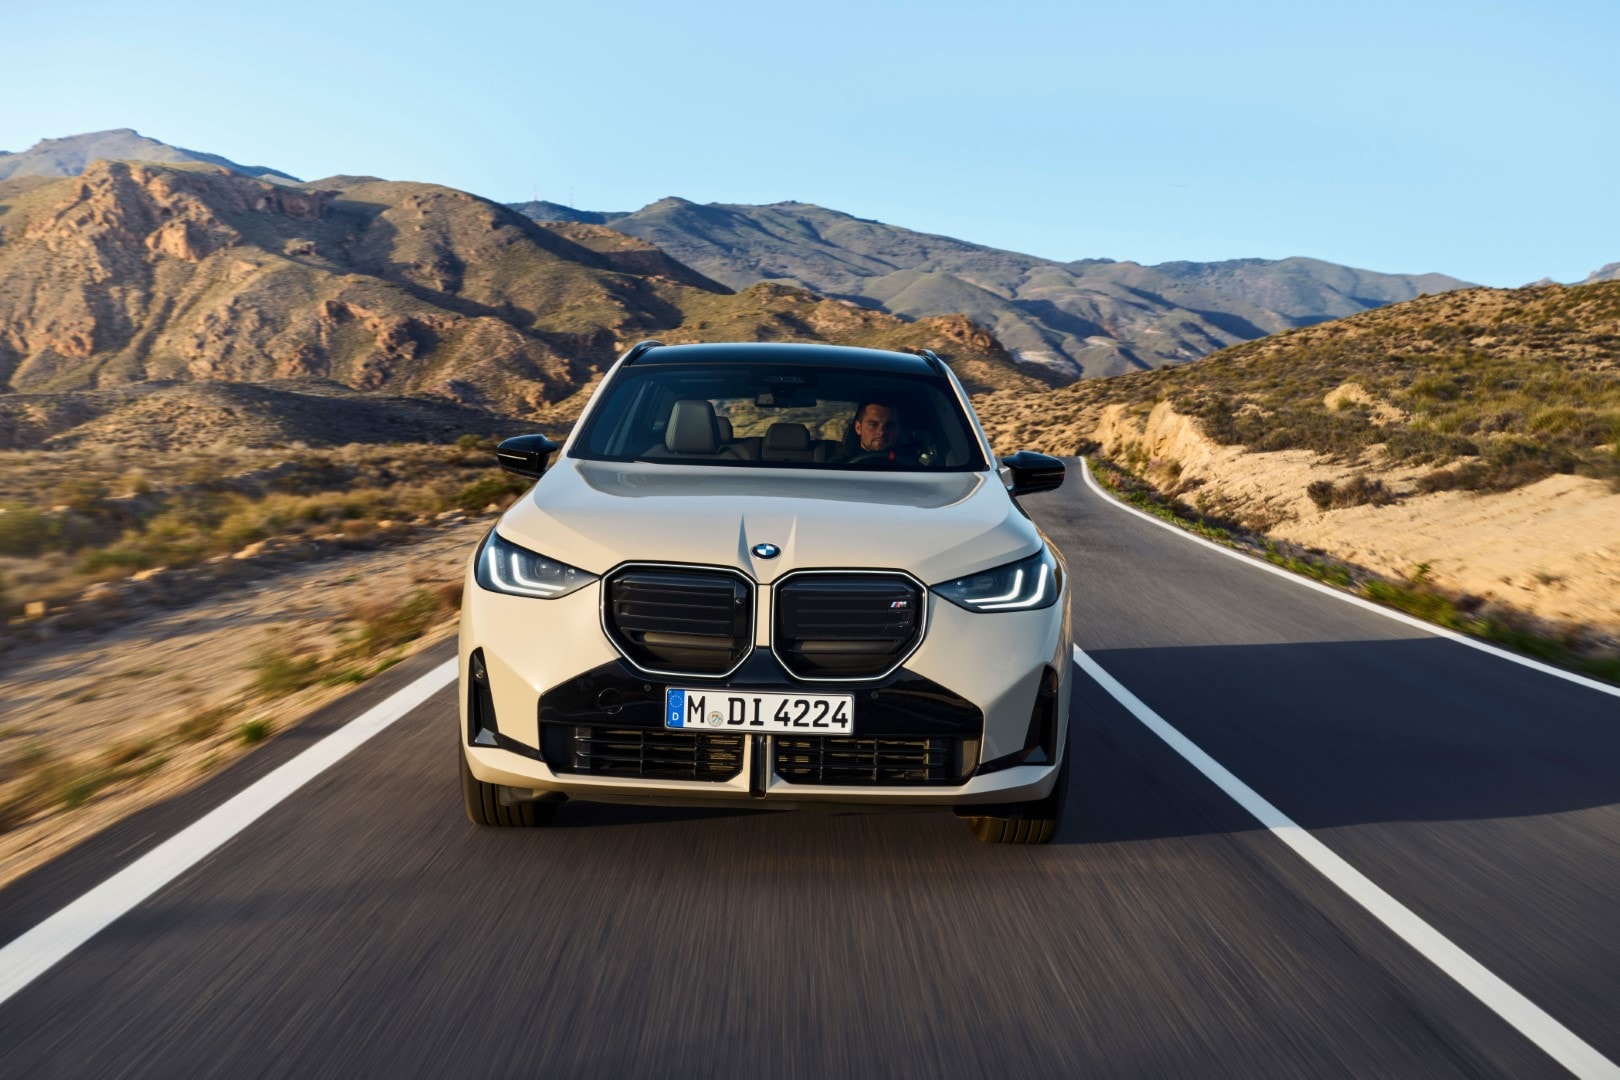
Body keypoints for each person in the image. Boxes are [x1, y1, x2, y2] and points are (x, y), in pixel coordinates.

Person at [845, 401, 912, 462]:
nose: (881, 432)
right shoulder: (841, 465)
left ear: (899, 430)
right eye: (873, 425)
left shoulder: (912, 465)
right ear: (858, 428)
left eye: (889, 425)